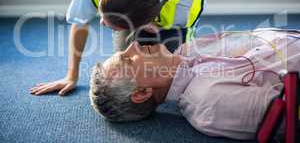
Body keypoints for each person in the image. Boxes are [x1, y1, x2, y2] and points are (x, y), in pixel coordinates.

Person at [30, 0, 206, 96]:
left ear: (147, 21)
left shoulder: (186, 5)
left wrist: (161, 31)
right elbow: (79, 22)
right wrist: (71, 75)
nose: (101, 23)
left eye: (110, 23)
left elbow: (186, 53)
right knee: (126, 67)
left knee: (169, 71)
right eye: (103, 16)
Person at [89, 28, 300, 140]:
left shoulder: (187, 51)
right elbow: (291, 117)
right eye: (127, 59)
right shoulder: (209, 102)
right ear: (142, 93)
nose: (133, 45)